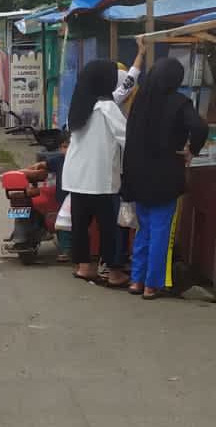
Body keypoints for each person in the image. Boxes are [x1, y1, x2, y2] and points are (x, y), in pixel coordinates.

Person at [121, 56, 208, 300]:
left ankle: (137, 280)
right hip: (166, 174)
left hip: (138, 173)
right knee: (160, 229)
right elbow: (199, 128)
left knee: (144, 229)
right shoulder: (180, 102)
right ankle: (152, 284)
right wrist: (192, 150)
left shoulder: (140, 100)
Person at [63, 59, 129, 288]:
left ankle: (84, 267)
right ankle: (113, 272)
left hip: (75, 176)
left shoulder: (80, 104)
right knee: (108, 227)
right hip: (99, 179)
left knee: (80, 224)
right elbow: (126, 137)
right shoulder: (107, 107)